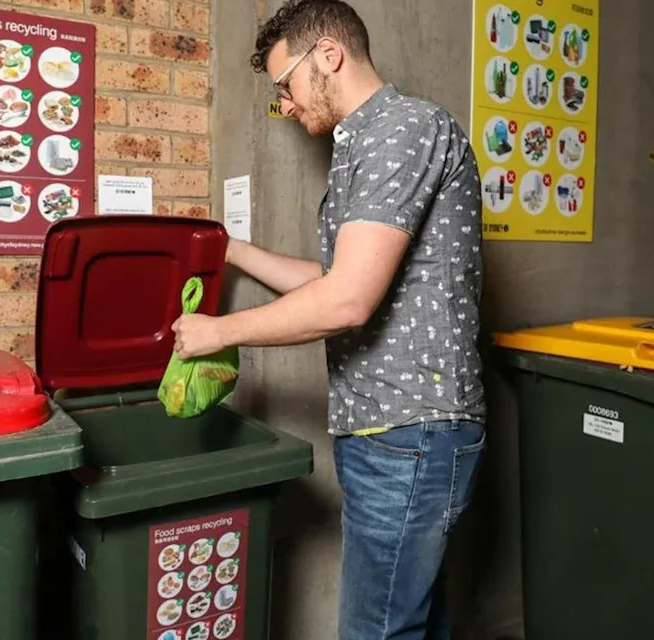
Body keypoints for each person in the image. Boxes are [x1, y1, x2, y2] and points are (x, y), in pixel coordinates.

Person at [171, 1, 487, 638]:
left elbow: (347, 301)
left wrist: (218, 332)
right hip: (388, 429)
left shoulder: (403, 129)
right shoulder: (364, 145)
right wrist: (231, 250)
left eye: (285, 86)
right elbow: (334, 281)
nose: (283, 106)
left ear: (329, 57)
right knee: (415, 622)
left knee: (378, 630)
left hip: (410, 431)